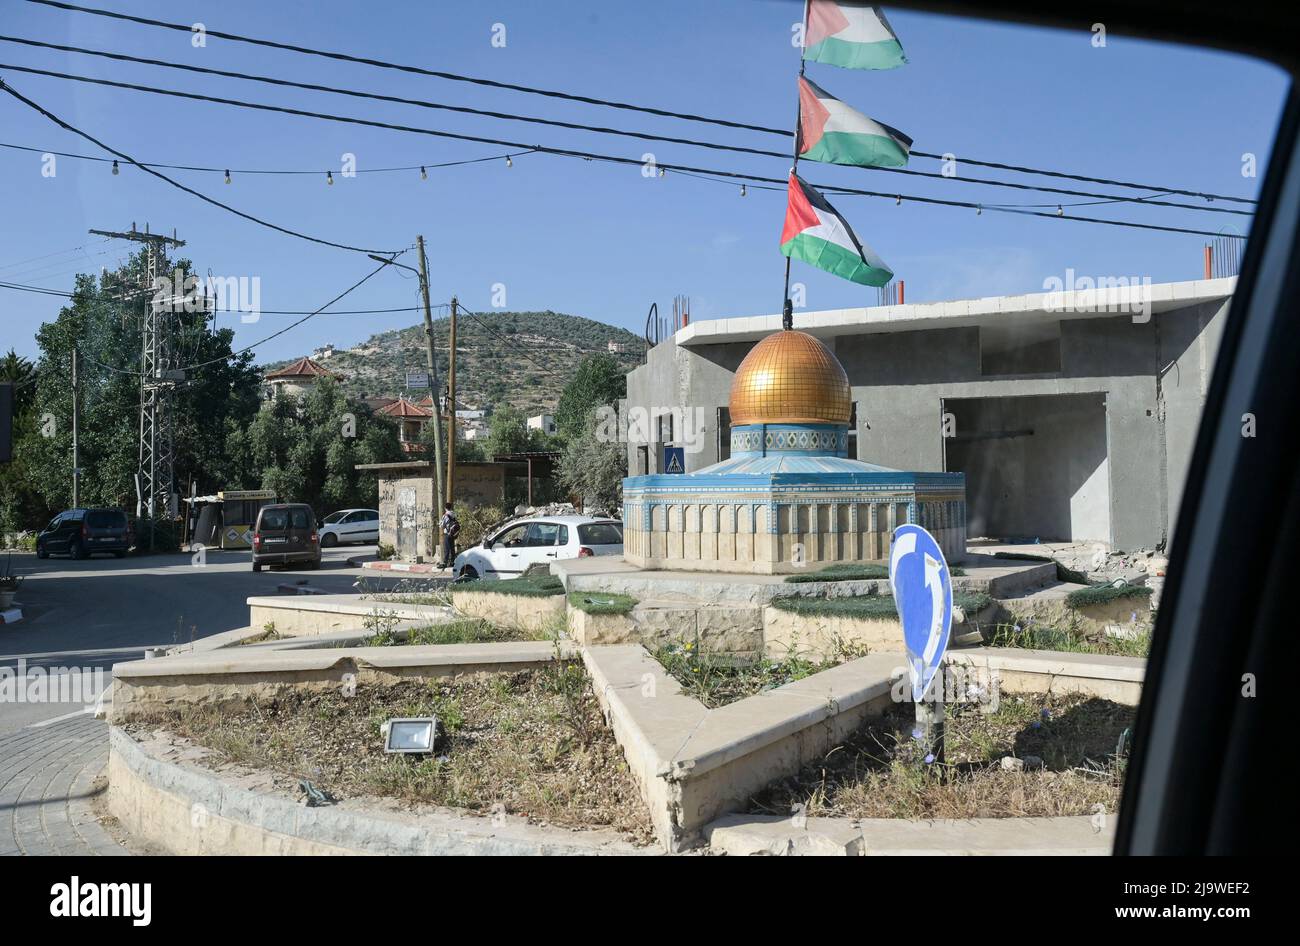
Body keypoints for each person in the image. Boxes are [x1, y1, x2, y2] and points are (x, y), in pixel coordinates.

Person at [439, 502, 460, 570]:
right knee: (452, 548)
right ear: (451, 507)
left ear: (445, 508)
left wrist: (439, 523)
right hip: (453, 533)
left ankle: (445, 563)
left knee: (447, 549)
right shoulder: (454, 514)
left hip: (447, 534)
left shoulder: (445, 515)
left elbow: (442, 525)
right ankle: (452, 562)